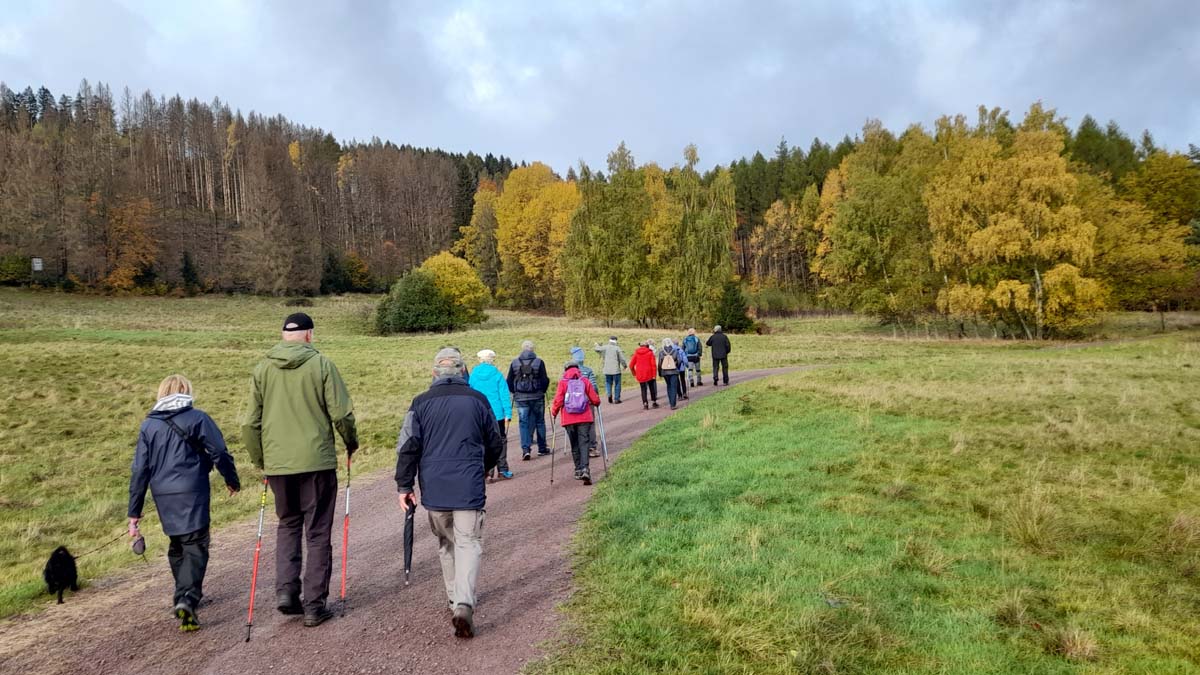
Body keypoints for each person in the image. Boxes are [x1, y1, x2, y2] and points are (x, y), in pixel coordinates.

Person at [242, 312, 358, 628]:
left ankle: (287, 593)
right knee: (317, 531)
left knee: (288, 525)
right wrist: (351, 442)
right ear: (309, 335)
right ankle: (314, 605)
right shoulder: (322, 365)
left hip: (279, 465)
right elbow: (342, 414)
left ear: (283, 336)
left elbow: (249, 424)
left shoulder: (262, 369)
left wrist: (262, 461)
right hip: (316, 462)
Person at [396, 348, 504, 639]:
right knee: (468, 542)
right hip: (468, 484)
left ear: (434, 373)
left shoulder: (420, 403)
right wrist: (484, 468)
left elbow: (407, 447)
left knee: (446, 544)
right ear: (463, 371)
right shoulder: (478, 400)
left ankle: (454, 599)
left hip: (435, 487)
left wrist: (404, 486)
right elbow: (495, 442)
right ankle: (464, 603)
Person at [129, 374, 240, 632]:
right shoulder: (198, 418)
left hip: (162, 494)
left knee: (178, 543)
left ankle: (182, 596)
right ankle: (187, 598)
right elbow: (219, 452)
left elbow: (139, 470)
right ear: (186, 391)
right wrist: (232, 480)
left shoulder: (148, 426)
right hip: (193, 490)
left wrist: (134, 512)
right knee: (196, 543)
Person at [550, 361, 602, 485]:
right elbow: (595, 399)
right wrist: (597, 402)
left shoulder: (563, 382)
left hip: (568, 419)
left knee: (574, 444)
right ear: (578, 369)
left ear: (565, 369)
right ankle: (585, 469)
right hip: (584, 418)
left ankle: (578, 469)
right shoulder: (584, 380)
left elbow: (558, 400)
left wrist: (554, 412)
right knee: (584, 443)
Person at [470, 349, 514, 480]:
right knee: (501, 440)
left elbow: (470, 395)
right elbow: (504, 395)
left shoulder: (473, 375)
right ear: (491, 360)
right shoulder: (497, 374)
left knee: (484, 441)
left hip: (480, 413)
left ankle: (488, 471)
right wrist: (508, 413)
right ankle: (503, 469)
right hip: (497, 413)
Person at [506, 340, 551, 461]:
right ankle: (542, 448)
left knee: (523, 423)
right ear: (533, 349)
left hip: (520, 398)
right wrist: (543, 390)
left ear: (522, 349)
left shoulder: (515, 362)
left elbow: (509, 380)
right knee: (540, 421)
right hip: (537, 396)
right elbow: (544, 379)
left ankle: (526, 450)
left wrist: (514, 392)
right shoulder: (539, 362)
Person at [570, 347, 601, 458]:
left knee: (576, 424)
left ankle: (579, 448)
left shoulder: (568, 373)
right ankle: (592, 447)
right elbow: (594, 387)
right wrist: (596, 398)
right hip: (587, 402)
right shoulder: (588, 370)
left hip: (573, 403)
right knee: (590, 423)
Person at [592, 336, 627, 404]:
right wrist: (624, 365)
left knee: (608, 383)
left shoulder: (605, 347)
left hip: (607, 369)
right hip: (616, 370)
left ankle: (609, 395)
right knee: (617, 384)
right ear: (616, 341)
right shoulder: (617, 348)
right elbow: (622, 358)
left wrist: (597, 345)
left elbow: (597, 349)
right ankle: (616, 399)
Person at [629, 340, 659, 410]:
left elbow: (631, 365)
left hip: (640, 374)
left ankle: (645, 404)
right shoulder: (650, 353)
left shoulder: (636, 353)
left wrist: (634, 373)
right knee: (652, 388)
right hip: (649, 373)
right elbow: (653, 365)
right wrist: (654, 375)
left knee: (643, 389)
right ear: (647, 346)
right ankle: (654, 402)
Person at [657, 338, 683, 410]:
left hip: (665, 372)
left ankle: (671, 402)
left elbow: (659, 364)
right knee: (674, 387)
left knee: (669, 386)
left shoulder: (661, 352)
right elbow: (679, 361)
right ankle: (673, 404)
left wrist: (660, 373)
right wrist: (677, 367)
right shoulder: (675, 351)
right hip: (674, 371)